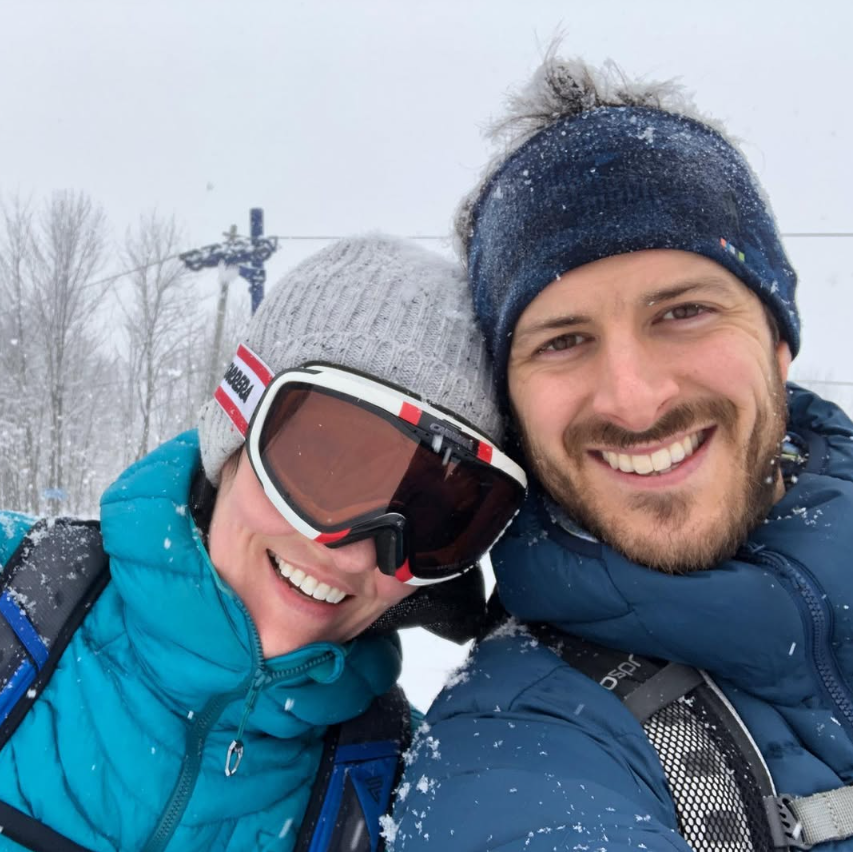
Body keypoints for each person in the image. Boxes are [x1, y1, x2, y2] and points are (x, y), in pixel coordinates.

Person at [390, 56, 853, 852]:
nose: (632, 399)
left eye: (682, 311)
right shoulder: (515, 741)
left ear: (777, 342)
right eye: (563, 340)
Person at [0, 234, 527, 852]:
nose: (355, 554)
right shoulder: (17, 604)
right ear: (235, 434)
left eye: (434, 518)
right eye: (323, 464)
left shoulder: (406, 799)